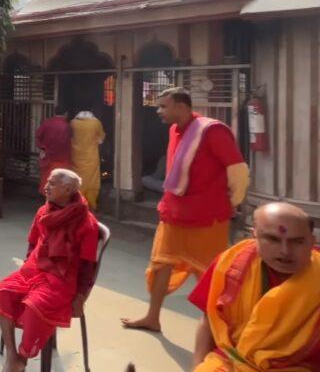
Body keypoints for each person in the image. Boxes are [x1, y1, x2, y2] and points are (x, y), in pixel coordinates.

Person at [122, 87, 248, 333]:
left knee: (210, 275)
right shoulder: (174, 130)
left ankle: (220, 328)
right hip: (174, 213)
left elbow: (238, 170)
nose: (158, 111)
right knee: (161, 266)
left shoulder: (213, 130)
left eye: (163, 106)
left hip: (206, 217)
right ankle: (152, 317)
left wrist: (233, 201)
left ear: (181, 106)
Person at [188, 202, 319, 371]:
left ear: (311, 241)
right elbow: (209, 320)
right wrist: (197, 365)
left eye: (297, 241)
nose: (285, 251)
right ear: (254, 236)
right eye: (273, 239)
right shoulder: (231, 264)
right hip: (230, 362)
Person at [0, 169, 100, 372]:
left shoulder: (86, 223)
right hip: (34, 270)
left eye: (51, 184)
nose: (45, 187)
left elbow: (88, 266)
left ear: (67, 189)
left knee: (35, 307)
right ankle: (11, 354)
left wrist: (81, 296)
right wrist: (27, 266)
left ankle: (23, 358)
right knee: (4, 290)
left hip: (61, 279)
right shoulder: (44, 211)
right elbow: (33, 243)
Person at [70, 110, 105, 209]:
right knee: (92, 181)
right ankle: (90, 203)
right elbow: (101, 138)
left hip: (76, 156)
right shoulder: (95, 123)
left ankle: (77, 202)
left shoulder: (73, 123)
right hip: (91, 156)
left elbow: (70, 137)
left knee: (77, 180)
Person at [35, 107, 71, 193]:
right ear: (65, 113)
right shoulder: (66, 126)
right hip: (62, 158)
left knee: (47, 177)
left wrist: (42, 148)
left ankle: (46, 193)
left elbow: (38, 136)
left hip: (48, 156)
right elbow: (69, 142)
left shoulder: (47, 123)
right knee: (60, 178)